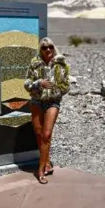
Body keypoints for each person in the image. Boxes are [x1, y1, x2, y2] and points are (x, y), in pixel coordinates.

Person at [24, 37, 71, 184]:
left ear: (53, 47)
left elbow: (66, 85)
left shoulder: (61, 64)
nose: (48, 50)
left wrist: (54, 91)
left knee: (46, 134)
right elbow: (27, 84)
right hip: (37, 101)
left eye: (50, 46)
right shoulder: (34, 63)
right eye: (44, 48)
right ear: (41, 50)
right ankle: (48, 163)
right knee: (38, 134)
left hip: (52, 103)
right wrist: (39, 84)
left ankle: (41, 169)